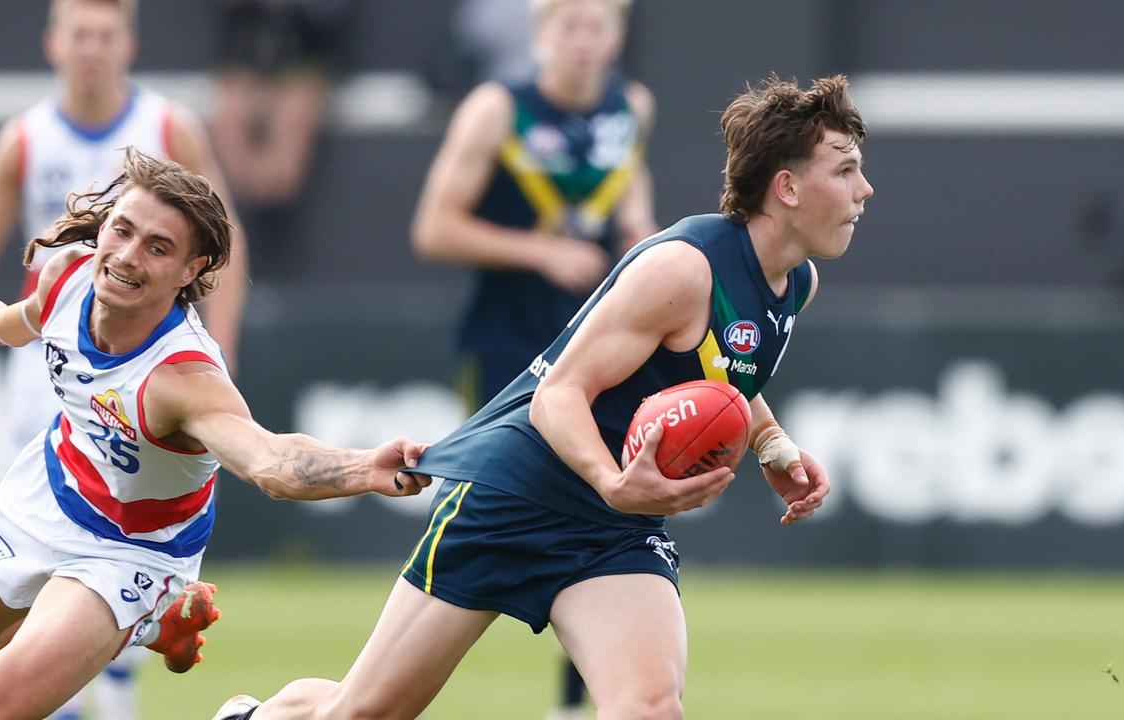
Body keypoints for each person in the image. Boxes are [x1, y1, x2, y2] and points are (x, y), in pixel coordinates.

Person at [213, 73, 868, 720]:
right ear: (786, 187)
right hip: (514, 499)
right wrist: (613, 482)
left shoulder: (795, 282)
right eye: (845, 172)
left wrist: (772, 443)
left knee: (650, 708)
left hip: (612, 529)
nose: (864, 190)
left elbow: (723, 375)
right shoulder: (682, 269)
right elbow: (557, 397)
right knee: (361, 714)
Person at [0, 148, 431, 720]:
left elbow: (268, 460)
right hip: (46, 489)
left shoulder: (184, 378)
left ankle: (139, 613)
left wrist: (365, 467)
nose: (126, 257)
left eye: (158, 247)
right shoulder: (67, 273)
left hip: (128, 551)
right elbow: (31, 318)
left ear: (190, 271)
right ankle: (132, 626)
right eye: (121, 231)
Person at [0, 1, 249, 716]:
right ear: (53, 45)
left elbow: (222, 238)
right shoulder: (25, 138)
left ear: (127, 44)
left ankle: (110, 690)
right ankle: (141, 630)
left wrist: (220, 353)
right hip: (53, 359)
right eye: (81, 36)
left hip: (143, 365)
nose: (93, 50)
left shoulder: (168, 128)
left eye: (106, 35)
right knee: (31, 559)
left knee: (116, 540)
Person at [411, 0, 654, 714]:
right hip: (509, 348)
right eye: (568, 26)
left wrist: (654, 251)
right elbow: (434, 228)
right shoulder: (496, 109)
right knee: (479, 517)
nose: (583, 42)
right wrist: (539, 252)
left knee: (611, 514)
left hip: (607, 353)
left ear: (618, 33)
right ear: (541, 33)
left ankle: (580, 701)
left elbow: (632, 212)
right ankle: (380, 684)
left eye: (598, 26)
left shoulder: (631, 107)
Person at [209, 0, 350, 207]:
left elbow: (328, 15)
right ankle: (242, 202)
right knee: (229, 114)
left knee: (294, 112)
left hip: (305, 58)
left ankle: (269, 191)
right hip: (248, 58)